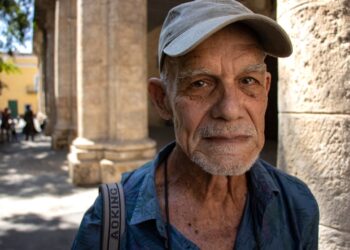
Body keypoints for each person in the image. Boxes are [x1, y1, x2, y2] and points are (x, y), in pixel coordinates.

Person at [72, 1, 319, 249]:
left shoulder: (296, 205)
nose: (230, 110)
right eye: (200, 83)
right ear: (162, 100)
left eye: (247, 81)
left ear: (265, 89)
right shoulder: (110, 222)